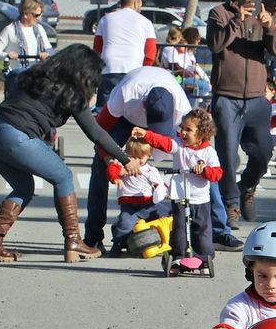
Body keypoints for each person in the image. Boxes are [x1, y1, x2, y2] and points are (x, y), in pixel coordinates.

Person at [0, 45, 142, 264]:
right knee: (63, 176)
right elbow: (95, 133)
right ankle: (73, 241)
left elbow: (14, 81)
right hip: (17, 135)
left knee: (23, 188)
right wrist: (125, 159)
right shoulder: (72, 93)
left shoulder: (34, 74)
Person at [84, 64, 205, 251]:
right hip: (125, 119)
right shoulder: (126, 94)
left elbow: (198, 147)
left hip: (159, 110)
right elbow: (98, 133)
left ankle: (211, 231)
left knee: (198, 168)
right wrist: (113, 161)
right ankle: (93, 238)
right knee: (99, 166)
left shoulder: (182, 107)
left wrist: (201, 163)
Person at [208, 0, 276, 226]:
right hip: (227, 98)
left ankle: (247, 187)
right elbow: (215, 44)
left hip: (256, 99)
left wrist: (270, 27)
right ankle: (230, 204)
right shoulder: (219, 13)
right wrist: (236, 21)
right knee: (227, 156)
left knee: (264, 151)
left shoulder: (263, 16)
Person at [143, 108, 223, 275]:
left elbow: (217, 174)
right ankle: (178, 257)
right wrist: (146, 135)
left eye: (189, 130)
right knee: (179, 228)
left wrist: (204, 170)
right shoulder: (178, 145)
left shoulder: (208, 152)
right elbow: (163, 142)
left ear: (201, 133)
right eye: (182, 128)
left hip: (200, 199)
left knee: (202, 230)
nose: (183, 133)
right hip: (180, 196)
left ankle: (203, 258)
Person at [104, 137, 168, 256]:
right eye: (133, 157)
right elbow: (112, 169)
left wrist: (166, 192)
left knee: (169, 215)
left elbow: (160, 183)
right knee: (124, 224)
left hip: (149, 205)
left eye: (141, 158)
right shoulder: (123, 165)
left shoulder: (150, 170)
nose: (137, 161)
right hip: (130, 206)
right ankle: (118, 243)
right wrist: (115, 178)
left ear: (148, 156)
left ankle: (169, 240)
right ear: (127, 154)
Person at [93, 0, 157, 107]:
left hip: (109, 67)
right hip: (134, 68)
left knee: (104, 108)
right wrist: (144, 71)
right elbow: (150, 53)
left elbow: (97, 48)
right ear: (136, 3)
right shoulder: (145, 22)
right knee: (130, 108)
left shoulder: (105, 19)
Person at [0, 0, 52, 77]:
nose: (38, 18)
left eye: (40, 15)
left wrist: (46, 54)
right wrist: (6, 55)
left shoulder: (40, 29)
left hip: (36, 74)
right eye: (36, 15)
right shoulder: (10, 30)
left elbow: (50, 49)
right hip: (16, 76)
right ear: (25, 14)